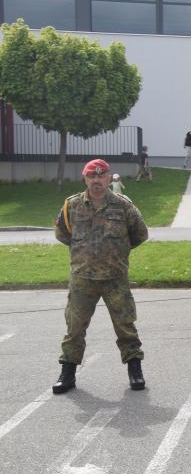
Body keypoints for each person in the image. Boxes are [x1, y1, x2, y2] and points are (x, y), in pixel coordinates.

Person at [52, 158, 149, 394]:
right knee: (74, 328)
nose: (96, 180)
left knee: (125, 326)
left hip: (115, 278)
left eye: (101, 176)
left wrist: (115, 254)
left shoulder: (123, 206)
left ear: (109, 178)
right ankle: (68, 374)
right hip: (83, 279)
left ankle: (135, 371)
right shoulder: (72, 205)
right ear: (85, 179)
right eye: (92, 176)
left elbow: (140, 234)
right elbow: (63, 234)